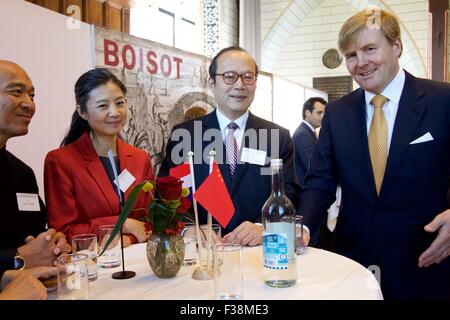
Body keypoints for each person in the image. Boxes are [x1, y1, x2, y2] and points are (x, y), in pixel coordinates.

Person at [299, 8, 450, 299]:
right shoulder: (336, 113)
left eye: (370, 49)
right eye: (351, 55)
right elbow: (320, 182)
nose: (361, 63)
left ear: (396, 46)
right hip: (355, 264)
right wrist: (302, 225)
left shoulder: (442, 101)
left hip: (428, 261)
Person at [160, 46, 301, 246]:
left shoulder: (277, 137)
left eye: (247, 77)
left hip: (256, 251)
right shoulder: (186, 135)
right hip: (203, 251)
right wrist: (188, 227)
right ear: (212, 82)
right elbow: (168, 192)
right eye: (229, 76)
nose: (239, 85)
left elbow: (289, 193)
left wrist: (263, 227)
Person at [44, 68, 154, 246]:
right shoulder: (61, 161)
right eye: (103, 106)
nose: (115, 112)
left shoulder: (140, 158)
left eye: (120, 103)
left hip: (140, 264)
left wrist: (128, 239)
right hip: (93, 266)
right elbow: (63, 232)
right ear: (82, 112)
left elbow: (150, 221)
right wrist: (121, 225)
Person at [0, 60, 70, 277]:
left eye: (32, 95)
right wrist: (16, 258)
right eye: (17, 92)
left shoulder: (23, 173)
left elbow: (38, 234)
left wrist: (55, 244)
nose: (28, 104)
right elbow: (24, 254)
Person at [292, 97, 326, 186]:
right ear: (307, 113)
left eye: (324, 113)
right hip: (305, 189)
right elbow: (313, 166)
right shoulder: (302, 134)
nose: (323, 116)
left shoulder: (309, 132)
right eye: (319, 113)